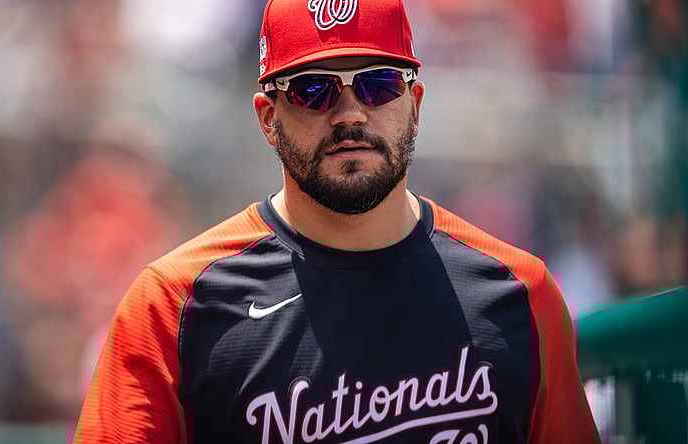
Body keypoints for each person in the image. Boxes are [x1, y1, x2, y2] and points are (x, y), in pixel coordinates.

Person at [74, 0, 600, 442]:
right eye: (313, 89)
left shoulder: (521, 294)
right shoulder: (174, 306)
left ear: (414, 104)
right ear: (267, 117)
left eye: (377, 85)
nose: (350, 112)